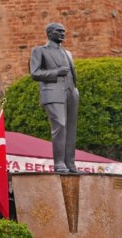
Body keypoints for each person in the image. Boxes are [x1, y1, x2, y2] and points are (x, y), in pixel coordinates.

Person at [30, 23, 78, 173]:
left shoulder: (68, 53)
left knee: (71, 129)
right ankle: (59, 163)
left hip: (71, 93)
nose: (63, 33)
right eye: (59, 31)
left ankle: (70, 163)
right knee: (60, 125)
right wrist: (56, 72)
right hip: (52, 92)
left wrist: (75, 90)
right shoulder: (40, 51)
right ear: (50, 34)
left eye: (64, 31)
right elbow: (35, 73)